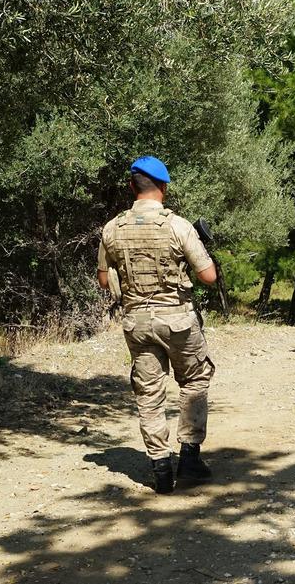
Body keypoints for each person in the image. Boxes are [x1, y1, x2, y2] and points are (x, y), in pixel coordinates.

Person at [97, 155, 217, 495]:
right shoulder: (179, 226)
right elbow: (208, 277)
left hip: (137, 322)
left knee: (149, 393)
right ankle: (189, 458)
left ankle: (161, 466)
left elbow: (105, 281)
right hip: (176, 320)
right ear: (163, 187)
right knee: (194, 379)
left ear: (132, 187)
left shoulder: (112, 228)